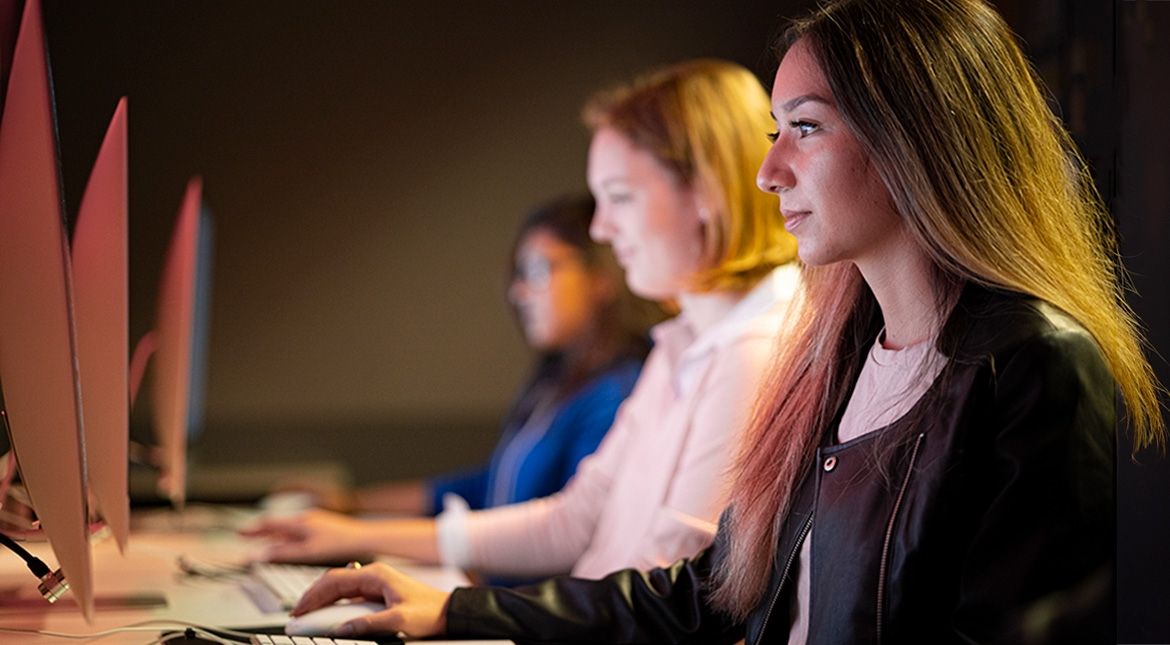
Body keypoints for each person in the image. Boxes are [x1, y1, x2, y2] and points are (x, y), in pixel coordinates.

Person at [285, 1, 1165, 643]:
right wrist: (456, 608)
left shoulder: (1037, 366)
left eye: (805, 129)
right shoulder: (837, 356)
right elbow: (713, 590)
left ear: (916, 139)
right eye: (775, 130)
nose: (769, 170)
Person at [244, 59, 801, 586]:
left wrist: (458, 610)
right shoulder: (683, 342)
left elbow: (665, 590)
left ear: (704, 193)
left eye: (619, 197)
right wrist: (355, 536)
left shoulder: (754, 349)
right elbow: (573, 521)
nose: (602, 230)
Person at [289, 195, 662, 521]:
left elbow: (566, 535)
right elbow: (494, 488)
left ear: (602, 275)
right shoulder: (558, 381)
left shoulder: (619, 393)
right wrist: (354, 506)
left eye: (536, 270)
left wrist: (365, 535)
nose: (518, 292)